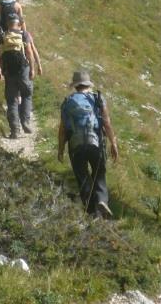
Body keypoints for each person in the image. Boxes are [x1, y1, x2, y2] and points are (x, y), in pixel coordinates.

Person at [58, 70, 119, 218]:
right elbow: (107, 123)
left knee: (83, 177)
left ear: (75, 85)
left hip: (76, 146)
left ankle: (92, 212)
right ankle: (102, 200)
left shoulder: (67, 102)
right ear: (88, 84)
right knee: (99, 173)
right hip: (95, 143)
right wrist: (113, 143)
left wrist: (60, 149)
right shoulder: (97, 99)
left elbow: (63, 129)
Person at [0, 12, 34, 138]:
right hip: (23, 70)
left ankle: (15, 130)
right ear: (19, 24)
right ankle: (25, 121)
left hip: (9, 71)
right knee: (26, 94)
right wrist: (32, 69)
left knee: (11, 100)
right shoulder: (24, 34)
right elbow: (29, 53)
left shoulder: (2, 36)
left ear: (7, 24)